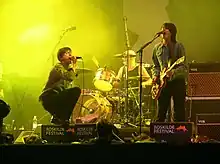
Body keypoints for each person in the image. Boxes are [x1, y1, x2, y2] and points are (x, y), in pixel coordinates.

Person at [151, 22, 187, 122]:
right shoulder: (157, 48)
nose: (163, 30)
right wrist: (156, 76)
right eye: (162, 28)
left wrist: (173, 72)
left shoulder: (178, 46)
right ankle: (159, 135)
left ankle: (179, 134)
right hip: (163, 83)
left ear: (171, 32)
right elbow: (156, 66)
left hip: (177, 82)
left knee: (179, 111)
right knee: (161, 111)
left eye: (166, 29)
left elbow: (183, 66)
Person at [39, 47, 81, 125]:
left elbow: (71, 77)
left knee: (71, 93)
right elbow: (70, 77)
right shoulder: (58, 67)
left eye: (70, 54)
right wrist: (73, 64)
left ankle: (58, 118)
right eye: (68, 53)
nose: (70, 55)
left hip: (57, 96)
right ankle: (63, 118)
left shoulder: (66, 69)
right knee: (76, 91)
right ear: (61, 57)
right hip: (49, 97)